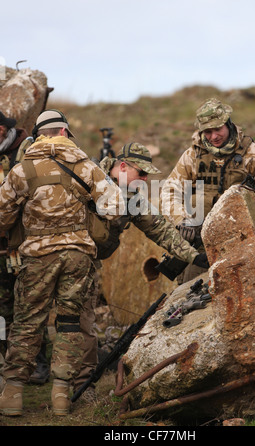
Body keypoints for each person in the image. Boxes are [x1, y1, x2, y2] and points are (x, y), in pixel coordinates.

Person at [0, 109, 125, 417]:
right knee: (69, 324)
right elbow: (115, 208)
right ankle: (60, 396)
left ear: (39, 135)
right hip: (78, 255)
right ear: (65, 132)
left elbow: (1, 214)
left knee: (28, 323)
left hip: (37, 256)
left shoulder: (22, 169)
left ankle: (13, 393)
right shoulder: (86, 165)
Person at [73, 142, 208, 402]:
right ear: (122, 166)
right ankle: (18, 385)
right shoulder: (86, 177)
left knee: (83, 324)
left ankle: (82, 387)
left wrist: (194, 256)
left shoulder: (132, 198)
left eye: (148, 175)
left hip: (89, 263)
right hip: (58, 255)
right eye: (142, 173)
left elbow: (161, 229)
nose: (145, 180)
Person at [161, 97, 255, 284]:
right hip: (202, 243)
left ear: (228, 124)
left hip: (243, 238)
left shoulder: (251, 152)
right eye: (208, 131)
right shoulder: (192, 155)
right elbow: (169, 191)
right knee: (192, 287)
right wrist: (182, 220)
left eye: (218, 129)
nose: (214, 137)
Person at [0, 111, 50, 388]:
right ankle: (10, 366)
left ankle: (38, 364)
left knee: (29, 308)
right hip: (2, 243)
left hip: (24, 243)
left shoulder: (26, 149)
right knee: (4, 308)